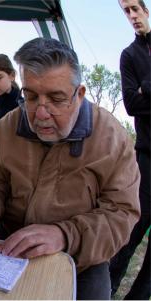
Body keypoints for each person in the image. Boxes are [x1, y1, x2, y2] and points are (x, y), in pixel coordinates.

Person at [0, 38, 141, 300]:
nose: (41, 113)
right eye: (31, 97)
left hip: (80, 259)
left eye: (56, 98)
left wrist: (65, 235)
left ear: (79, 94)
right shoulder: (7, 127)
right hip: (7, 246)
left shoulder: (112, 138)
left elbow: (122, 215)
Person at [109, 0, 151, 299]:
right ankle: (106, 291)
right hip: (147, 159)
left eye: (136, 8)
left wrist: (145, 89)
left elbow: (141, 98)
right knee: (131, 233)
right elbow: (131, 104)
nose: (132, 16)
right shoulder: (130, 55)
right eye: (126, 11)